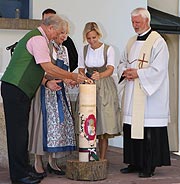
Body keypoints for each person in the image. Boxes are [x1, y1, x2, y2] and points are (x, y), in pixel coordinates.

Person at [1, 15, 86, 184]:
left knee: (21, 134)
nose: (59, 36)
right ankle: (19, 176)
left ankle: (24, 171)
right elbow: (47, 67)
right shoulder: (38, 39)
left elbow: (39, 70)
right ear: (50, 28)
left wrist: (49, 82)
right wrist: (73, 76)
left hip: (19, 90)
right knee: (17, 135)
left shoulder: (38, 38)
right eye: (59, 32)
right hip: (15, 89)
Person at [117, 7, 171, 178]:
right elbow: (122, 61)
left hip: (150, 97)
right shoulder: (131, 41)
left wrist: (138, 73)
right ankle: (134, 162)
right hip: (133, 92)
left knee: (149, 132)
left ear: (147, 21)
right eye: (133, 22)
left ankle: (149, 166)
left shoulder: (158, 42)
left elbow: (159, 69)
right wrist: (124, 71)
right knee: (132, 128)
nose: (134, 25)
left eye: (137, 22)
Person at [28, 19, 76, 180]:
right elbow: (39, 69)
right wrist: (48, 82)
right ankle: (37, 161)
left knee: (58, 128)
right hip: (43, 90)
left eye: (66, 33)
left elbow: (65, 71)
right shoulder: (43, 46)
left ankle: (52, 161)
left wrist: (69, 80)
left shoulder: (63, 49)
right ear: (53, 31)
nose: (64, 36)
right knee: (41, 126)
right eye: (61, 33)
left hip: (58, 92)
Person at [78, 22, 121, 160]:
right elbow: (81, 68)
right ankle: (89, 155)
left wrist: (100, 75)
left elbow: (110, 68)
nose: (91, 41)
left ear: (99, 35)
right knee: (88, 120)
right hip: (88, 86)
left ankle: (102, 159)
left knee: (104, 121)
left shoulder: (109, 49)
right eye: (89, 38)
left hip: (105, 86)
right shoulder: (84, 49)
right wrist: (84, 77)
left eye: (94, 37)